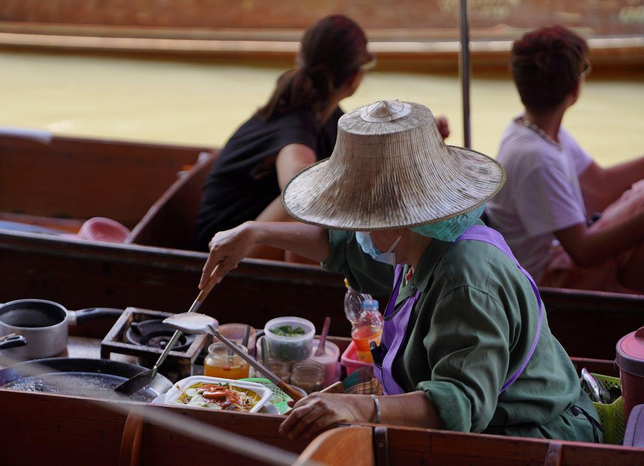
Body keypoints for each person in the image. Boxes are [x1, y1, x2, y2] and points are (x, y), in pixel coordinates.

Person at [199, 100, 599, 442]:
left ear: (396, 217)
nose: (353, 230)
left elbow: (459, 404)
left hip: (530, 431)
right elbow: (337, 247)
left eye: (358, 218)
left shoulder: (464, 277)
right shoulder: (415, 245)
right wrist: (253, 233)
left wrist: (360, 407)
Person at [194, 15, 449, 258]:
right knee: (307, 198)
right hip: (225, 250)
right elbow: (298, 186)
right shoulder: (296, 125)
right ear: (354, 77)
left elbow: (361, 153)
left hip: (237, 238)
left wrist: (415, 143)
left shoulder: (327, 115)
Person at [486, 25, 644, 293]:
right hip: (546, 280)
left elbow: (601, 183)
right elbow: (584, 251)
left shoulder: (533, 129)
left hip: (564, 256)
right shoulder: (536, 157)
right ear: (574, 89)